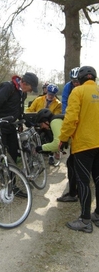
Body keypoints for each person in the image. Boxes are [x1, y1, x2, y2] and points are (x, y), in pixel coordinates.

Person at [0, 72, 39, 202]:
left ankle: (12, 186)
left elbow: (18, 110)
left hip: (12, 128)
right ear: (25, 83)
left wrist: (20, 122)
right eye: (31, 88)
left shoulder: (22, 93)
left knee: (13, 157)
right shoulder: (8, 87)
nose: (30, 91)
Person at [59, 66, 99, 233]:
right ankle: (97, 214)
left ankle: (85, 220)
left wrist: (63, 138)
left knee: (83, 182)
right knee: (98, 180)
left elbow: (70, 119)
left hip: (84, 145)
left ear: (80, 79)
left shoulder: (78, 91)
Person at [57, 67, 80, 202]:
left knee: (74, 162)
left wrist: (63, 138)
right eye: (73, 81)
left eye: (77, 81)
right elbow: (65, 101)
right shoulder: (68, 87)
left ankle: (74, 193)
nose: (75, 83)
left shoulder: (81, 90)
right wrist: (66, 114)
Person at [26, 83, 62, 165]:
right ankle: (32, 153)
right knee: (32, 135)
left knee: (50, 134)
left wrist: (48, 123)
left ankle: (51, 155)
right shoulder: (38, 99)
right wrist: (28, 115)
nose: (50, 96)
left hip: (48, 123)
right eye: (49, 94)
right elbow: (30, 109)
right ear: (47, 92)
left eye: (52, 95)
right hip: (37, 121)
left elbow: (55, 115)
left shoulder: (58, 104)